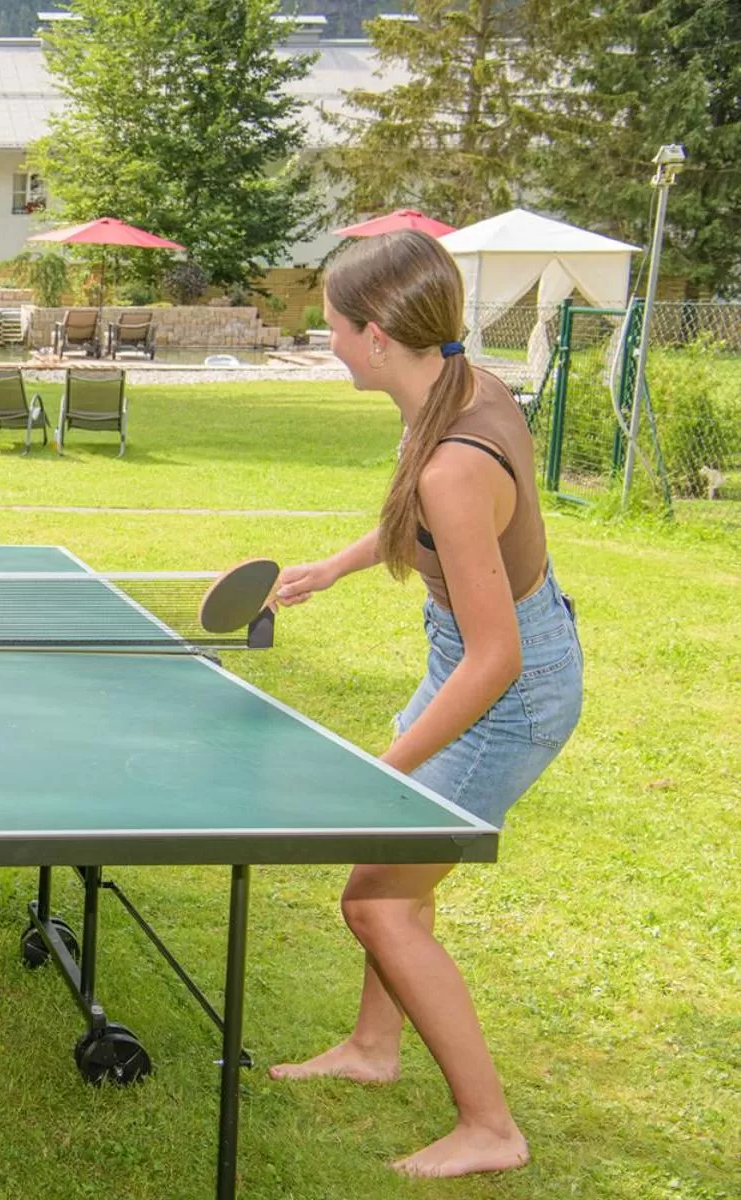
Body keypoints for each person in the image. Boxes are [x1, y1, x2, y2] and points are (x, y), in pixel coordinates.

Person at [267, 230, 583, 1177]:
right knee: (395, 878)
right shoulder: (452, 383)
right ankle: (373, 1046)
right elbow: (425, 520)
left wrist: (385, 770)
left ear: (372, 336)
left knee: (375, 903)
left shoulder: (453, 456)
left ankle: (491, 1128)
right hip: (477, 658)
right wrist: (336, 564)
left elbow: (496, 660)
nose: (322, 341)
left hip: (509, 690)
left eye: (327, 326)